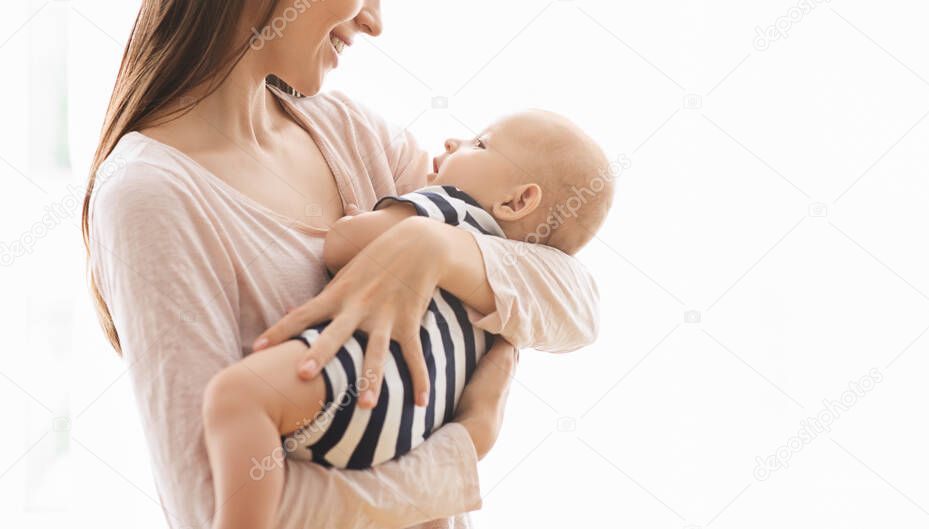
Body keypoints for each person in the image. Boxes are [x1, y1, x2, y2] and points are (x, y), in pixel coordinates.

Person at [81, 2, 600, 528]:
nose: (375, 20)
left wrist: (438, 249)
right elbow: (213, 508)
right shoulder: (151, 195)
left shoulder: (352, 134)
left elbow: (577, 307)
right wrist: (462, 450)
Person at [202, 109, 614, 529]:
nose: (454, 142)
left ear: (516, 201)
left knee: (238, 398)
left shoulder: (451, 210)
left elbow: (342, 244)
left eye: (480, 144)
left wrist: (356, 222)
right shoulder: (500, 290)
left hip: (361, 385)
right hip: (412, 433)